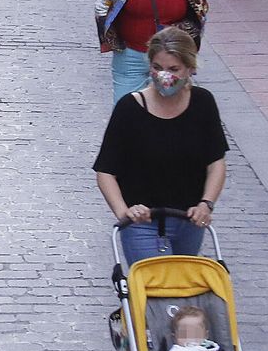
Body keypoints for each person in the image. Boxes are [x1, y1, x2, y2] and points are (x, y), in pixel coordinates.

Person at [93, 26, 225, 257]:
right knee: (151, 288)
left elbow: (216, 162)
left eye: (174, 69)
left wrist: (206, 204)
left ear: (189, 68)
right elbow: (105, 171)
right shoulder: (130, 109)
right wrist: (124, 213)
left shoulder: (202, 103)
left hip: (189, 220)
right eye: (157, 67)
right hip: (142, 223)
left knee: (184, 288)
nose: (164, 76)